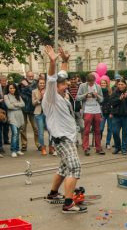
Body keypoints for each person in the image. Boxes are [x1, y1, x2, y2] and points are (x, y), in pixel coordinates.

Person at [42, 46, 86, 213]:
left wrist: (65, 62)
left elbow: (61, 76)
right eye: (63, 84)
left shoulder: (62, 95)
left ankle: (53, 194)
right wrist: (52, 62)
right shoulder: (51, 97)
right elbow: (52, 78)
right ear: (55, 86)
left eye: (66, 82)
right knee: (75, 167)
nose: (66, 85)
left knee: (63, 167)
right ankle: (68, 203)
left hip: (67, 137)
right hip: (63, 139)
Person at [76, 73, 104, 156]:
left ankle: (98, 148)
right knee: (86, 130)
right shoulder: (82, 86)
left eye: (92, 82)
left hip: (97, 110)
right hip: (87, 109)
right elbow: (77, 97)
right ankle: (86, 148)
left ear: (95, 80)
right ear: (87, 81)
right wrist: (85, 95)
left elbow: (102, 99)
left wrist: (97, 96)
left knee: (98, 130)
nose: (91, 84)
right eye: (90, 82)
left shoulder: (98, 86)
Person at [110, 78, 127, 155]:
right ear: (117, 85)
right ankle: (117, 147)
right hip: (117, 116)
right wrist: (119, 99)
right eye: (119, 84)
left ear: (125, 85)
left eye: (122, 84)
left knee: (125, 133)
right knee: (115, 131)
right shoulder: (115, 93)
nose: (120, 86)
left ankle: (124, 149)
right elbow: (112, 103)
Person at [4, 83, 25, 158]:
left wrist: (15, 104)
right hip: (12, 117)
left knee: (18, 133)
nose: (12, 89)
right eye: (10, 88)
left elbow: (23, 104)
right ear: (8, 89)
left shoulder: (18, 96)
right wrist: (18, 105)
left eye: (13, 88)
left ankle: (17, 149)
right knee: (15, 133)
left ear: (15, 89)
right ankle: (13, 150)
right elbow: (9, 106)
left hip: (19, 116)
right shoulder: (6, 96)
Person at [18, 76, 39, 152]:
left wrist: (27, 86)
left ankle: (38, 144)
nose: (31, 77)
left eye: (32, 75)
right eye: (29, 76)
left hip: (32, 109)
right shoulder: (20, 85)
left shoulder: (35, 84)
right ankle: (24, 145)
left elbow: (34, 93)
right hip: (23, 109)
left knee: (36, 128)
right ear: (26, 76)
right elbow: (19, 95)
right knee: (23, 128)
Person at [32, 78, 51, 156]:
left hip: (47, 113)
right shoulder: (34, 91)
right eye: (40, 83)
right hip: (38, 113)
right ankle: (43, 148)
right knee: (40, 133)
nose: (42, 85)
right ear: (38, 84)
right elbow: (33, 103)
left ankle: (51, 147)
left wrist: (45, 96)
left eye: (43, 83)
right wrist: (40, 97)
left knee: (51, 131)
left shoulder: (48, 91)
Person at [100, 79, 113, 150]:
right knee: (101, 129)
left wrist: (111, 112)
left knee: (110, 129)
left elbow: (112, 103)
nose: (103, 84)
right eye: (102, 83)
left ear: (106, 84)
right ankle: (99, 142)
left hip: (109, 112)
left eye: (104, 83)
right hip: (102, 112)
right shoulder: (98, 91)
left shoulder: (110, 91)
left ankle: (108, 143)